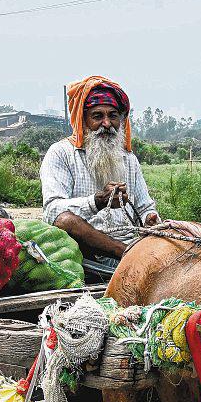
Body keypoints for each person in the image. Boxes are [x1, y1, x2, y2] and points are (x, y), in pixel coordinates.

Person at [40, 75, 160, 282]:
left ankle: (132, 257)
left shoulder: (128, 159)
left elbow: (144, 206)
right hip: (86, 251)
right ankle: (128, 256)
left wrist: (151, 218)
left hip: (130, 240)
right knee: (65, 219)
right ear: (83, 120)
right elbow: (53, 211)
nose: (107, 123)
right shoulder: (61, 153)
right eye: (97, 116)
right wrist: (97, 202)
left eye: (113, 116)